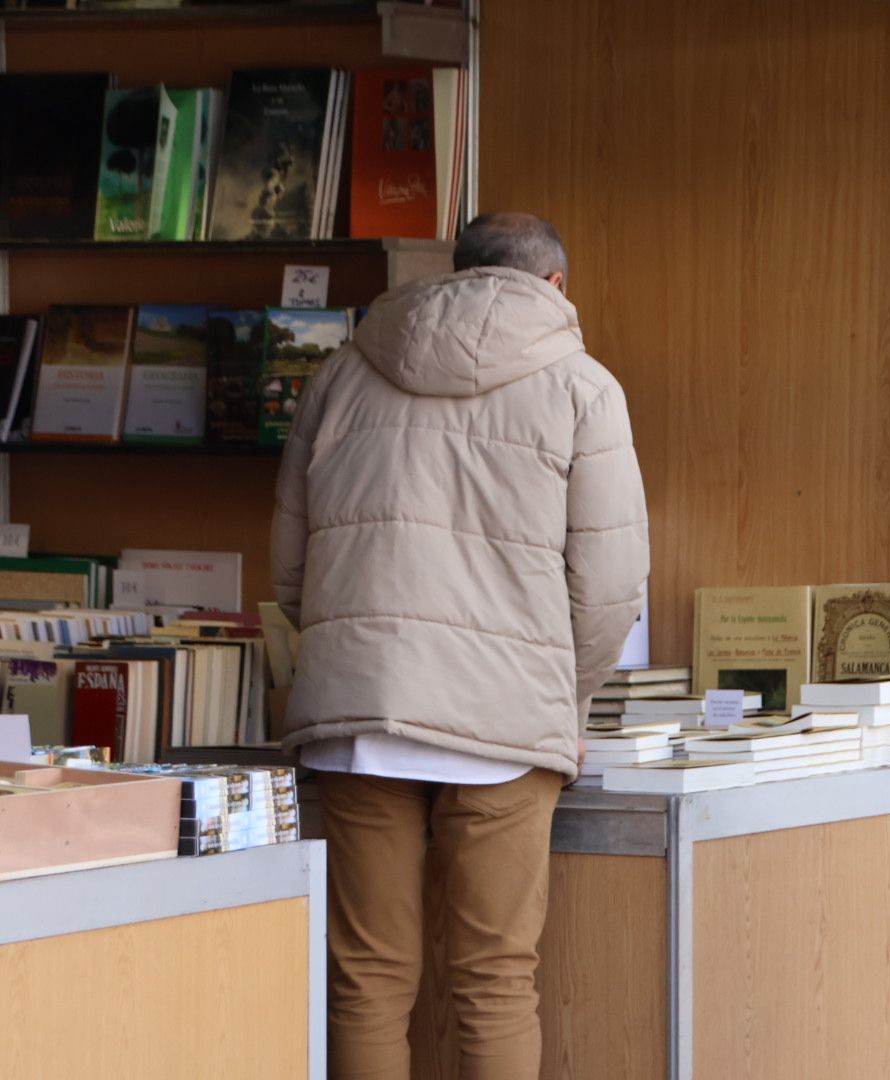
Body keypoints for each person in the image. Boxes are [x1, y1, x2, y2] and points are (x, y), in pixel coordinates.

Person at [271, 212, 649, 1080]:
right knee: (494, 981)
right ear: (554, 286)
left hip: (357, 713)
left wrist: (345, 653)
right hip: (505, 719)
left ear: (455, 272)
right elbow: (609, 583)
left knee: (365, 977)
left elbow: (291, 567)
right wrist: (571, 694)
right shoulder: (583, 387)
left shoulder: (340, 375)